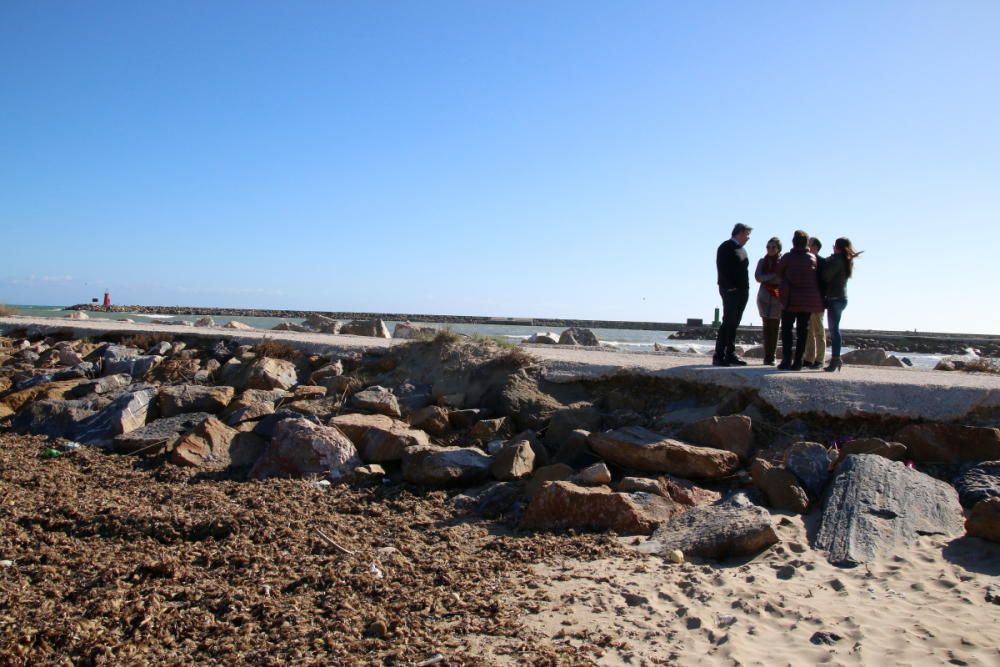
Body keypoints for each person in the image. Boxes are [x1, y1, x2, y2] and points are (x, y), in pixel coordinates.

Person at [776, 230, 824, 370]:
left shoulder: (787, 257)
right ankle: (798, 361)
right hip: (806, 301)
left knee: (787, 330)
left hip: (790, 300)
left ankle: (786, 360)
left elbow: (779, 273)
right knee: (803, 332)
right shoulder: (812, 258)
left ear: (793, 242)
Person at [821, 237, 862, 372]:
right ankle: (836, 358)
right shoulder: (844, 260)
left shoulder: (838, 260)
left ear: (837, 247)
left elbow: (826, 276)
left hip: (835, 298)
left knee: (834, 330)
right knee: (835, 329)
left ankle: (836, 358)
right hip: (841, 298)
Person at [713, 223, 752, 366]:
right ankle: (719, 355)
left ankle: (730, 354)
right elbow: (721, 268)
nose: (748, 238)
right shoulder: (726, 247)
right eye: (747, 234)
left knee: (734, 323)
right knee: (728, 322)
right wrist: (729, 287)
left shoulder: (742, 250)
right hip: (730, 291)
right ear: (740, 233)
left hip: (742, 291)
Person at [754, 237, 783, 365]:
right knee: (766, 327)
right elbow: (758, 277)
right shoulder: (762, 261)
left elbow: (781, 279)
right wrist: (772, 276)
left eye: (773, 247)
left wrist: (768, 278)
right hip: (764, 299)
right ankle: (767, 356)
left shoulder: (783, 262)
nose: (770, 249)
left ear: (778, 249)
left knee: (775, 327)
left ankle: (772, 356)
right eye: (768, 247)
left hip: (778, 298)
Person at [802, 237, 826, 369]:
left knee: (818, 331)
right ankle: (809, 358)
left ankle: (820, 359)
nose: (807, 247)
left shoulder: (822, 262)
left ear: (815, 247)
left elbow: (824, 283)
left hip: (818, 301)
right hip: (807, 301)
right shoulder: (806, 261)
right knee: (809, 331)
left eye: (809, 245)